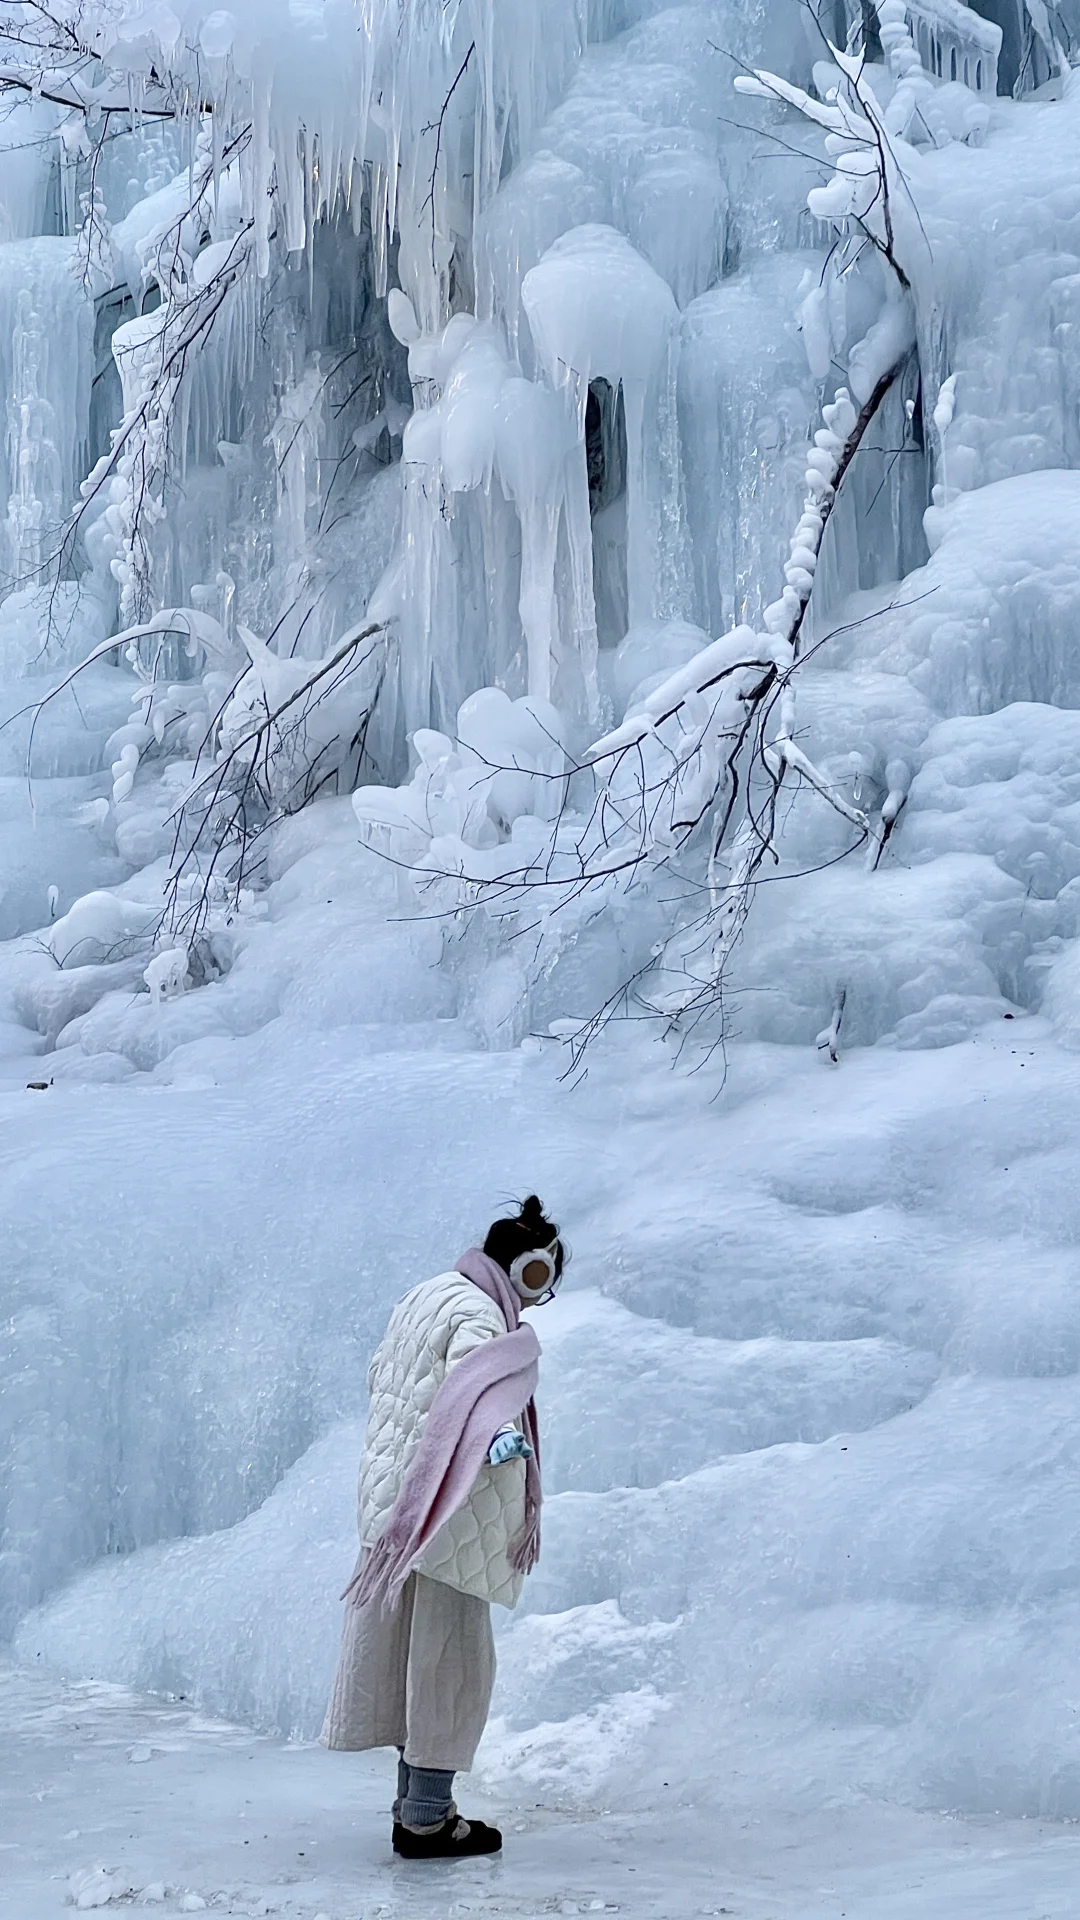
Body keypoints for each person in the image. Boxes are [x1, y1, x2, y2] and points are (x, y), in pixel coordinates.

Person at [322, 1195, 565, 1859]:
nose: (541, 1299)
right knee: (449, 1660)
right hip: (449, 1508)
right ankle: (428, 1819)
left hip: (399, 1508)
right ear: (526, 1268)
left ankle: (416, 1806)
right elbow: (473, 1382)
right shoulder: (479, 1314)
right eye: (543, 1281)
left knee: (410, 1656)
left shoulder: (428, 1292)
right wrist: (497, 1437)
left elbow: (384, 1375)